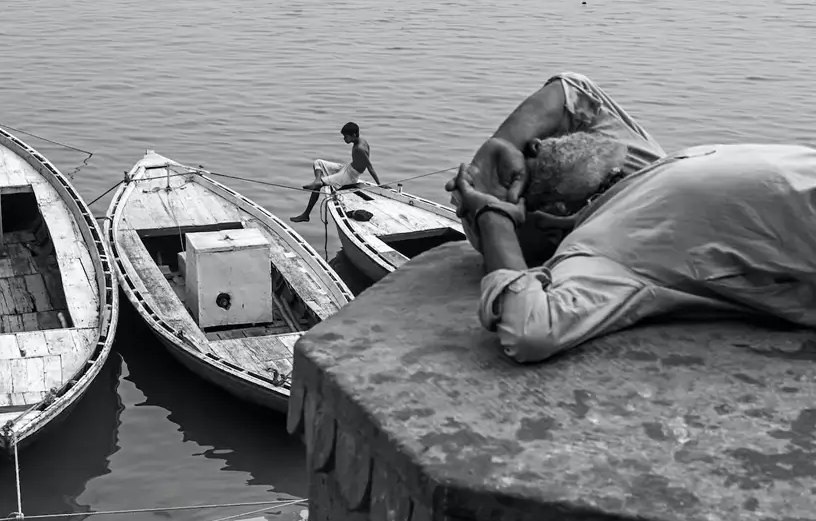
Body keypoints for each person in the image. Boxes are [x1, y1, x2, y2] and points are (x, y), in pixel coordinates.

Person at [451, 134, 816, 364]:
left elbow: (530, 330)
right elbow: (573, 88)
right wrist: (502, 144)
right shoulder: (653, 163)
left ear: (548, 219)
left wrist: (493, 219)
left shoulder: (606, 247)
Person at [446, 72, 666, 265]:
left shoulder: (639, 248)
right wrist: (507, 142)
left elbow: (520, 302)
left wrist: (493, 221)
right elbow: (571, 86)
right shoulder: (635, 157)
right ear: (536, 145)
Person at [291, 122, 383, 223]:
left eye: (345, 137)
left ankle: (306, 214)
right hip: (348, 167)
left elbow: (369, 167)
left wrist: (380, 184)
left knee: (318, 186)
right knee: (318, 162)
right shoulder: (360, 141)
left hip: (350, 176)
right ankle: (317, 180)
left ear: (354, 135)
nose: (344, 139)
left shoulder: (360, 148)